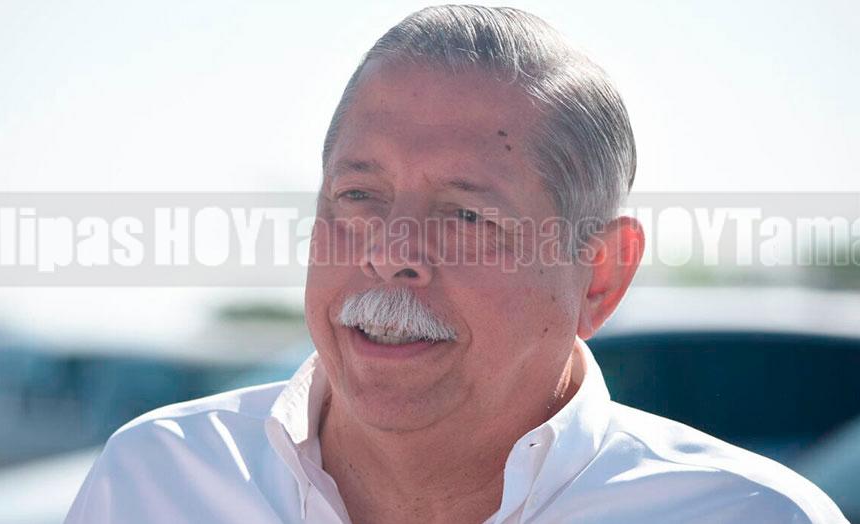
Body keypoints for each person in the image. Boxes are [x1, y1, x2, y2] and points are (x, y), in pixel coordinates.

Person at [65, 5, 846, 523]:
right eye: (359, 195)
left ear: (601, 275)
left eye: (467, 216)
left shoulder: (748, 517)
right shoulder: (155, 483)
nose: (390, 254)